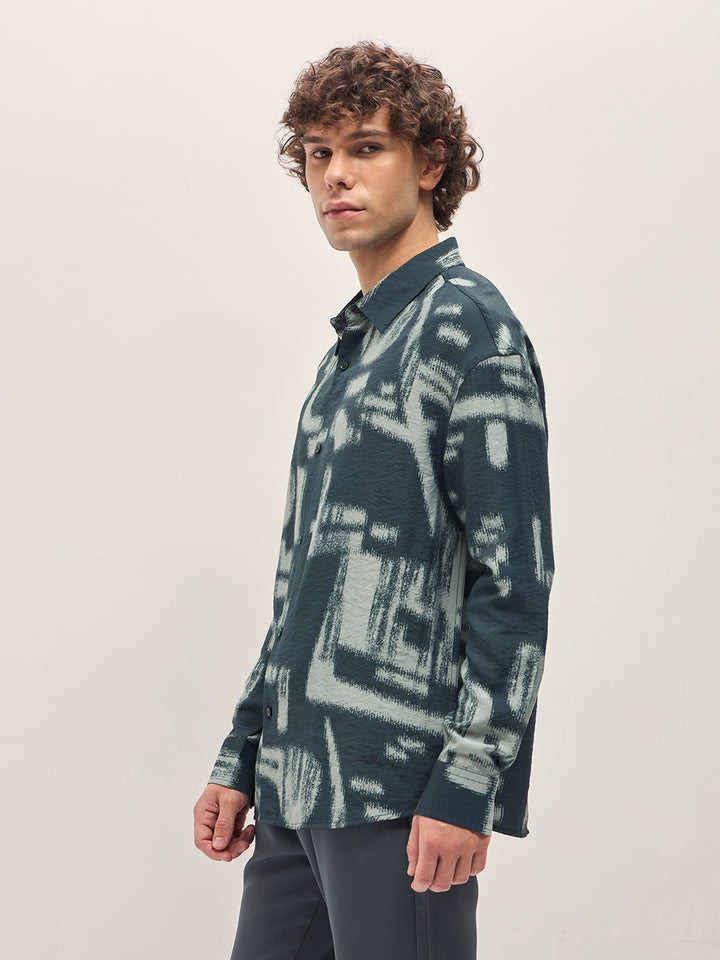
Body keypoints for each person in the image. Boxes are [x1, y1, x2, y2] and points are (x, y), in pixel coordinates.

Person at [193, 40, 554, 960]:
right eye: (318, 154)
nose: (335, 176)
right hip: (295, 789)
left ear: (431, 164)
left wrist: (468, 781)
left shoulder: (471, 329)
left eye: (365, 148)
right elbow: (302, 587)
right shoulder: (349, 356)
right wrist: (244, 753)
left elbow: (515, 580)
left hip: (400, 791)